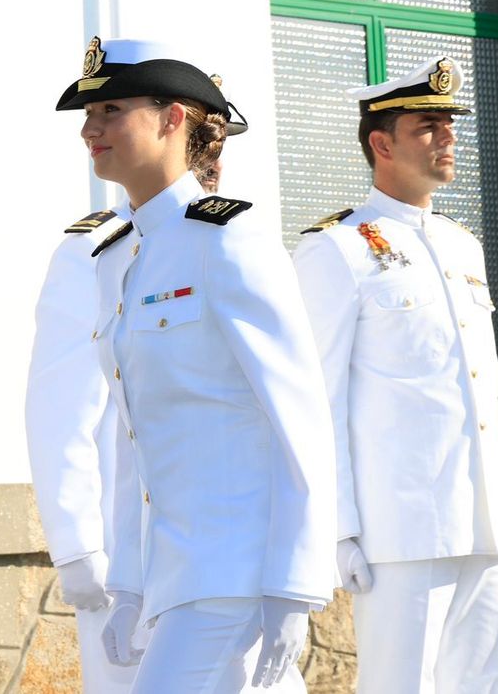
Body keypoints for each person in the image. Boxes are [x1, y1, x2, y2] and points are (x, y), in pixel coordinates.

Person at [53, 36, 336, 691]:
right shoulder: (119, 257)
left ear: (172, 118)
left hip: (234, 570)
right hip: (179, 573)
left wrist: (295, 584)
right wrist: (128, 582)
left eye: (111, 110)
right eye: (87, 116)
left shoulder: (229, 239)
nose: (90, 129)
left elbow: (298, 418)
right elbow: (137, 442)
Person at [292, 56, 498, 693]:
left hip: (486, 518)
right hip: (402, 529)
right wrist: (340, 528)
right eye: (428, 124)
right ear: (381, 142)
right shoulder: (336, 249)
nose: (448, 135)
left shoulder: (462, 246)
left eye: (450, 123)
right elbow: (319, 402)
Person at [25, 76, 249, 692]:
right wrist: (77, 548)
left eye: (218, 144)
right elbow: (60, 405)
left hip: (222, 552)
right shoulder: (93, 249)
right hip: (123, 555)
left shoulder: (232, 241)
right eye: (205, 140)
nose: (211, 159)